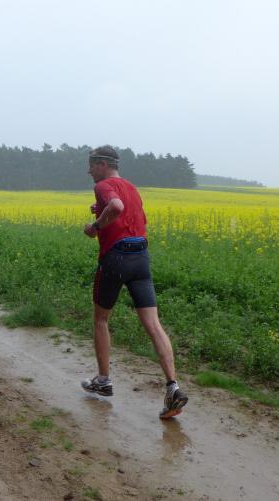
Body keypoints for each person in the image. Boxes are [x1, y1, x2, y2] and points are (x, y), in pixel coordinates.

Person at [81, 145, 188, 419]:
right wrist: (101, 210)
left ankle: (103, 380)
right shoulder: (132, 187)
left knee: (101, 319)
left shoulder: (104, 185)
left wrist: (95, 226)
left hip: (116, 258)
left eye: (91, 165)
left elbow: (116, 207)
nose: (89, 171)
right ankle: (173, 387)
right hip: (140, 257)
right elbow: (132, 215)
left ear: (103, 164)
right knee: (153, 324)